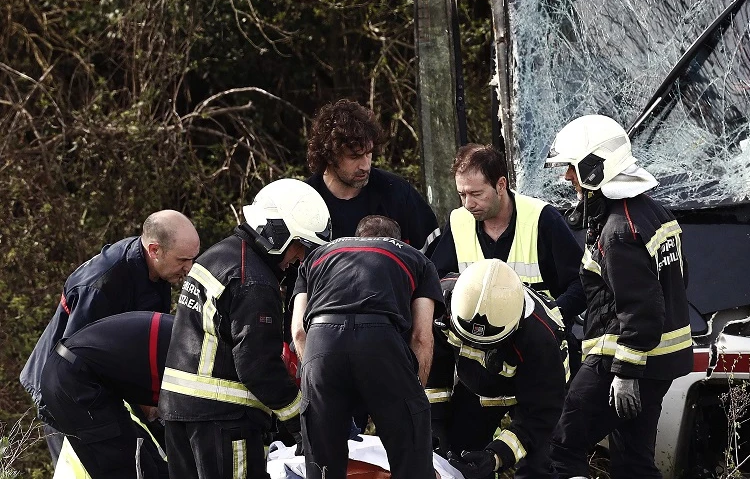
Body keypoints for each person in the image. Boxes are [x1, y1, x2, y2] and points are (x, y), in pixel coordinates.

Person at [544, 115, 694, 479]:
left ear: (596, 168)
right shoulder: (650, 211)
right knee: (633, 464)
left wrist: (625, 373)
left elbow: (642, 307)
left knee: (561, 448)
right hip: (656, 361)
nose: (568, 178)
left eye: (573, 169)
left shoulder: (618, 230)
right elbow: (678, 279)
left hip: (624, 360)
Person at [159, 178, 331, 479]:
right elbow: (257, 366)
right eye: (299, 246)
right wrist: (299, 421)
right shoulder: (253, 280)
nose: (300, 258)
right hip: (225, 421)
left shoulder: (218, 255)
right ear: (276, 233)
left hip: (180, 414)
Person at [20, 209, 199, 462]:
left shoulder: (158, 272)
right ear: (155, 250)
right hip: (62, 391)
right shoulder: (101, 285)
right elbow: (71, 366)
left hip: (107, 383)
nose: (189, 268)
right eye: (183, 260)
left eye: (193, 259)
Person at [291, 215, 443, 479]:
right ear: (397, 240)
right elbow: (421, 337)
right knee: (411, 460)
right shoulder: (415, 259)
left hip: (320, 342)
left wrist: (319, 387)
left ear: (357, 238)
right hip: (381, 341)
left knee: (323, 468)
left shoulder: (317, 257)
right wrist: (410, 402)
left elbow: (299, 332)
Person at [426, 260, 568, 479]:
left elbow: (541, 414)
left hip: (539, 394)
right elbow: (435, 372)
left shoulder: (540, 340)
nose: (474, 348)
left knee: (537, 468)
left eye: (486, 345)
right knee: (459, 457)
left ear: (515, 326)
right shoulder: (442, 303)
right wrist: (436, 424)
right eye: (467, 340)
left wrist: (497, 456)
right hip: (477, 388)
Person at [429, 143, 586, 324]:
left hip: (537, 345)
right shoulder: (458, 222)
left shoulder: (543, 219)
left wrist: (550, 319)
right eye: (462, 194)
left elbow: (581, 284)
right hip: (477, 343)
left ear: (501, 185)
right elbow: (435, 285)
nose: (468, 204)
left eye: (476, 194)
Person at [40, 311, 174, 478]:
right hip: (74, 379)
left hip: (71, 371)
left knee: (145, 465)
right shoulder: (188, 352)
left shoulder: (184, 337)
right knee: (129, 469)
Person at [305, 98, 439, 252]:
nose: (365, 165)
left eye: (368, 154)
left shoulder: (398, 194)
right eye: (354, 157)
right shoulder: (303, 203)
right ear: (329, 156)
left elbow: (434, 262)